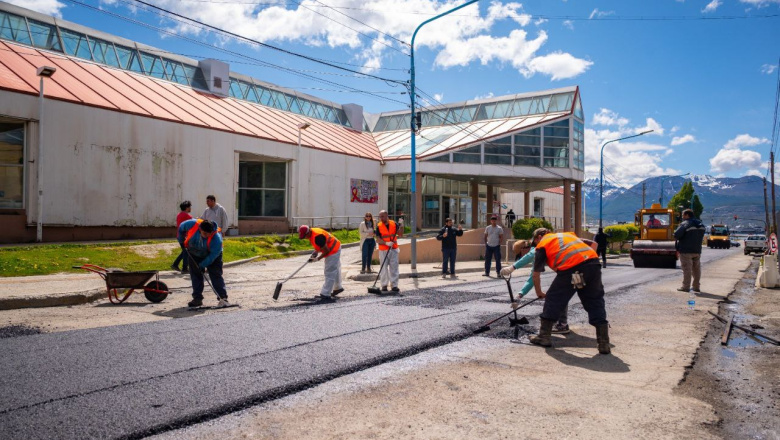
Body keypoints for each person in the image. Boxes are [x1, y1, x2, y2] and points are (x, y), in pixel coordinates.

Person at [528, 228, 611, 354]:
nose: (535, 245)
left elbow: (535, 274)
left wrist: (539, 292)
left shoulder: (543, 244)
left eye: (535, 242)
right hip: (593, 264)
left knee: (553, 298)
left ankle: (544, 336)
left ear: (539, 237)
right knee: (594, 300)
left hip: (572, 267)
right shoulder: (568, 235)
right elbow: (591, 245)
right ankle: (604, 343)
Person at [501, 240, 571, 334]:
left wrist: (512, 268)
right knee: (559, 294)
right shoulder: (537, 255)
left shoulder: (536, 250)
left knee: (557, 295)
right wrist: (520, 295)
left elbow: (528, 256)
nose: (521, 257)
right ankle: (561, 323)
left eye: (520, 255)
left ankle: (561, 325)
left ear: (523, 249)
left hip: (570, 268)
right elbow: (532, 279)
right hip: (567, 269)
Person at [178, 219, 229, 308]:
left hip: (212, 255)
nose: (207, 236)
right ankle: (197, 299)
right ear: (200, 229)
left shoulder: (216, 239)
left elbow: (213, 256)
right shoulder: (191, 224)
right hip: (194, 253)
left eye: (209, 234)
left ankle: (223, 297)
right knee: (195, 275)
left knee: (215, 274)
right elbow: (181, 227)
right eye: (205, 233)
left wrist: (202, 265)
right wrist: (181, 241)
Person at [298, 225, 343, 300]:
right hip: (335, 245)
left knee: (329, 271)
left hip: (333, 250)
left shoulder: (318, 237)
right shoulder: (313, 232)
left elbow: (326, 250)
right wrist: (316, 251)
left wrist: (317, 259)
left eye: (304, 236)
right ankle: (338, 287)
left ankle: (325, 293)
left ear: (308, 233)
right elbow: (321, 244)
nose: (305, 238)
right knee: (335, 269)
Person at [674, 209, 706, 293]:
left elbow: (676, 235)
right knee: (696, 269)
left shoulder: (685, 224)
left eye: (683, 215)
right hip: (697, 250)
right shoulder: (700, 224)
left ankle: (685, 287)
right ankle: (696, 287)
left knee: (687, 269)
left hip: (686, 251)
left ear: (687, 215)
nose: (682, 217)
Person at [375, 210, 401, 292]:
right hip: (383, 250)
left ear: (387, 215)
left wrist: (401, 225)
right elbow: (378, 239)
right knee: (383, 268)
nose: (381, 218)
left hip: (393, 249)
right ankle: (384, 285)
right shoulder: (379, 226)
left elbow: (400, 234)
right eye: (380, 217)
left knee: (394, 267)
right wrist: (386, 243)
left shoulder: (394, 224)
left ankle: (394, 285)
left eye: (382, 216)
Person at [171, 200, 192, 273]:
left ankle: (175, 264)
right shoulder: (187, 216)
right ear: (187, 207)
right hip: (184, 236)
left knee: (185, 251)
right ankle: (184, 268)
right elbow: (191, 225)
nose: (190, 208)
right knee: (186, 252)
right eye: (190, 207)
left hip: (179, 235)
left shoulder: (179, 215)